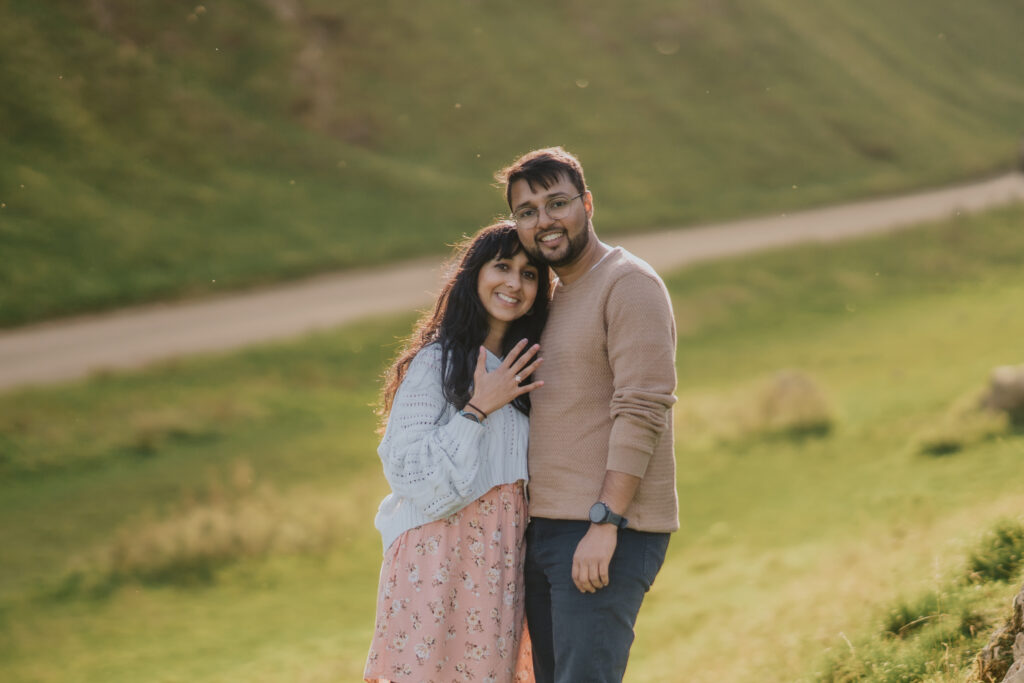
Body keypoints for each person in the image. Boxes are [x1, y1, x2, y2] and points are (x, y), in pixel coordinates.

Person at [495, 147, 679, 683]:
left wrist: (605, 521)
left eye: (557, 202)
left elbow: (643, 408)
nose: (544, 221)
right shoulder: (547, 298)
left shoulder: (628, 283)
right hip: (546, 531)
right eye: (527, 211)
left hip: (605, 529)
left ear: (588, 204)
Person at [365, 221, 550, 683]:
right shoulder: (437, 361)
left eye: (529, 274)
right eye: (502, 267)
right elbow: (408, 472)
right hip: (435, 559)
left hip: (497, 566)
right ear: (474, 274)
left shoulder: (527, 369)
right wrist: (476, 410)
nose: (514, 283)